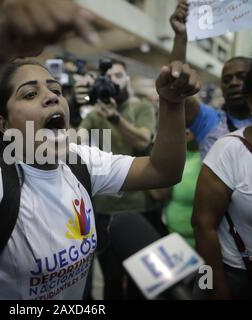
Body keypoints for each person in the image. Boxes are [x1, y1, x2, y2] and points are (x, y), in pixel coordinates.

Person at [0, 0, 200, 300]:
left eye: (56, 90)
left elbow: (163, 170)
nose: (51, 98)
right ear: (3, 124)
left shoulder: (80, 161)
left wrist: (172, 102)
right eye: (31, 94)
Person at [192, 43, 252, 299]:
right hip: (240, 279)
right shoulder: (228, 149)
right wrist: (216, 291)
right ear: (251, 100)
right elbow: (202, 226)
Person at [78, 59, 158, 299]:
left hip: (139, 208)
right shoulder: (94, 113)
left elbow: (143, 141)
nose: (113, 81)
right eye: (108, 76)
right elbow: (77, 141)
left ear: (128, 80)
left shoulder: (141, 107)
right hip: (103, 211)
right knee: (111, 281)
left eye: (119, 75)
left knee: (141, 283)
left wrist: (115, 118)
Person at [169, 0, 252, 159]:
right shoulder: (208, 120)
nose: (234, 83)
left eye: (241, 77)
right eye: (227, 79)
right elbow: (177, 89)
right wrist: (181, 37)